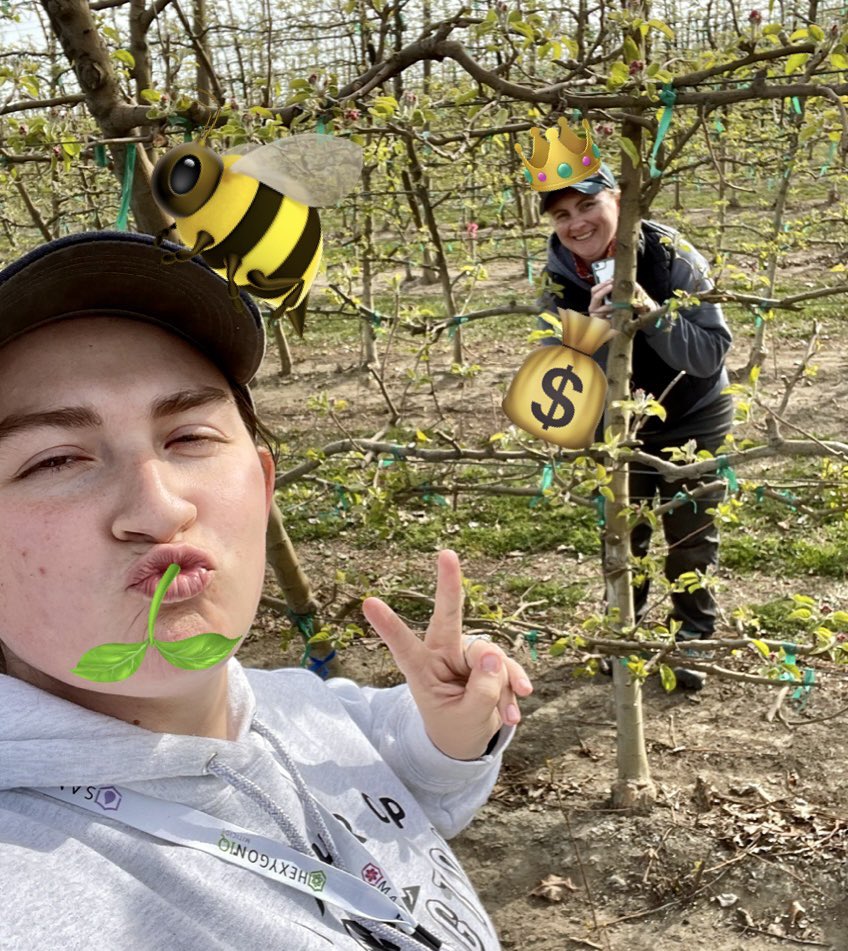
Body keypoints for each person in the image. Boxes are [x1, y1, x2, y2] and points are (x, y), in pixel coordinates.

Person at [0, 231, 533, 950]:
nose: (159, 510)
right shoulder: (34, 888)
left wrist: (454, 733)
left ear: (263, 483)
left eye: (187, 436)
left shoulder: (298, 707)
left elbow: (397, 767)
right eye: (58, 458)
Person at [536, 163, 734, 689]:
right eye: (561, 216)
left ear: (618, 202)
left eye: (586, 205)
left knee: (691, 534)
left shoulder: (672, 256)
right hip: (618, 423)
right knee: (623, 533)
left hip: (694, 416)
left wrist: (653, 312)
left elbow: (711, 351)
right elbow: (554, 373)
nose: (576, 224)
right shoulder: (558, 277)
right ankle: (622, 631)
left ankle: (690, 639)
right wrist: (590, 332)